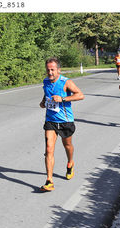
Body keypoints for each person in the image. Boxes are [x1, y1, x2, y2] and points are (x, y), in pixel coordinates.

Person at [39, 57, 84, 192]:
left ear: (58, 69)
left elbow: (80, 95)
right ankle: (49, 181)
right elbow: (47, 94)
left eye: (53, 70)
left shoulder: (66, 82)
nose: (50, 72)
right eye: (48, 70)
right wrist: (43, 102)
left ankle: (70, 163)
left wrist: (63, 98)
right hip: (50, 121)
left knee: (67, 145)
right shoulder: (45, 81)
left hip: (65, 121)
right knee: (48, 149)